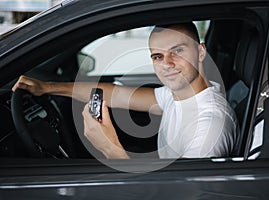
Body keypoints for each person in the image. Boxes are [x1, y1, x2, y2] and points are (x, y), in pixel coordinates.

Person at [13, 22, 239, 159]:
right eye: (158, 56)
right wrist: (47, 87)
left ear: (200, 52)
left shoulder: (209, 127)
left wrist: (110, 148)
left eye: (177, 51)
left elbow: (181, 193)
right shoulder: (181, 95)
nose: (167, 63)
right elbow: (115, 94)